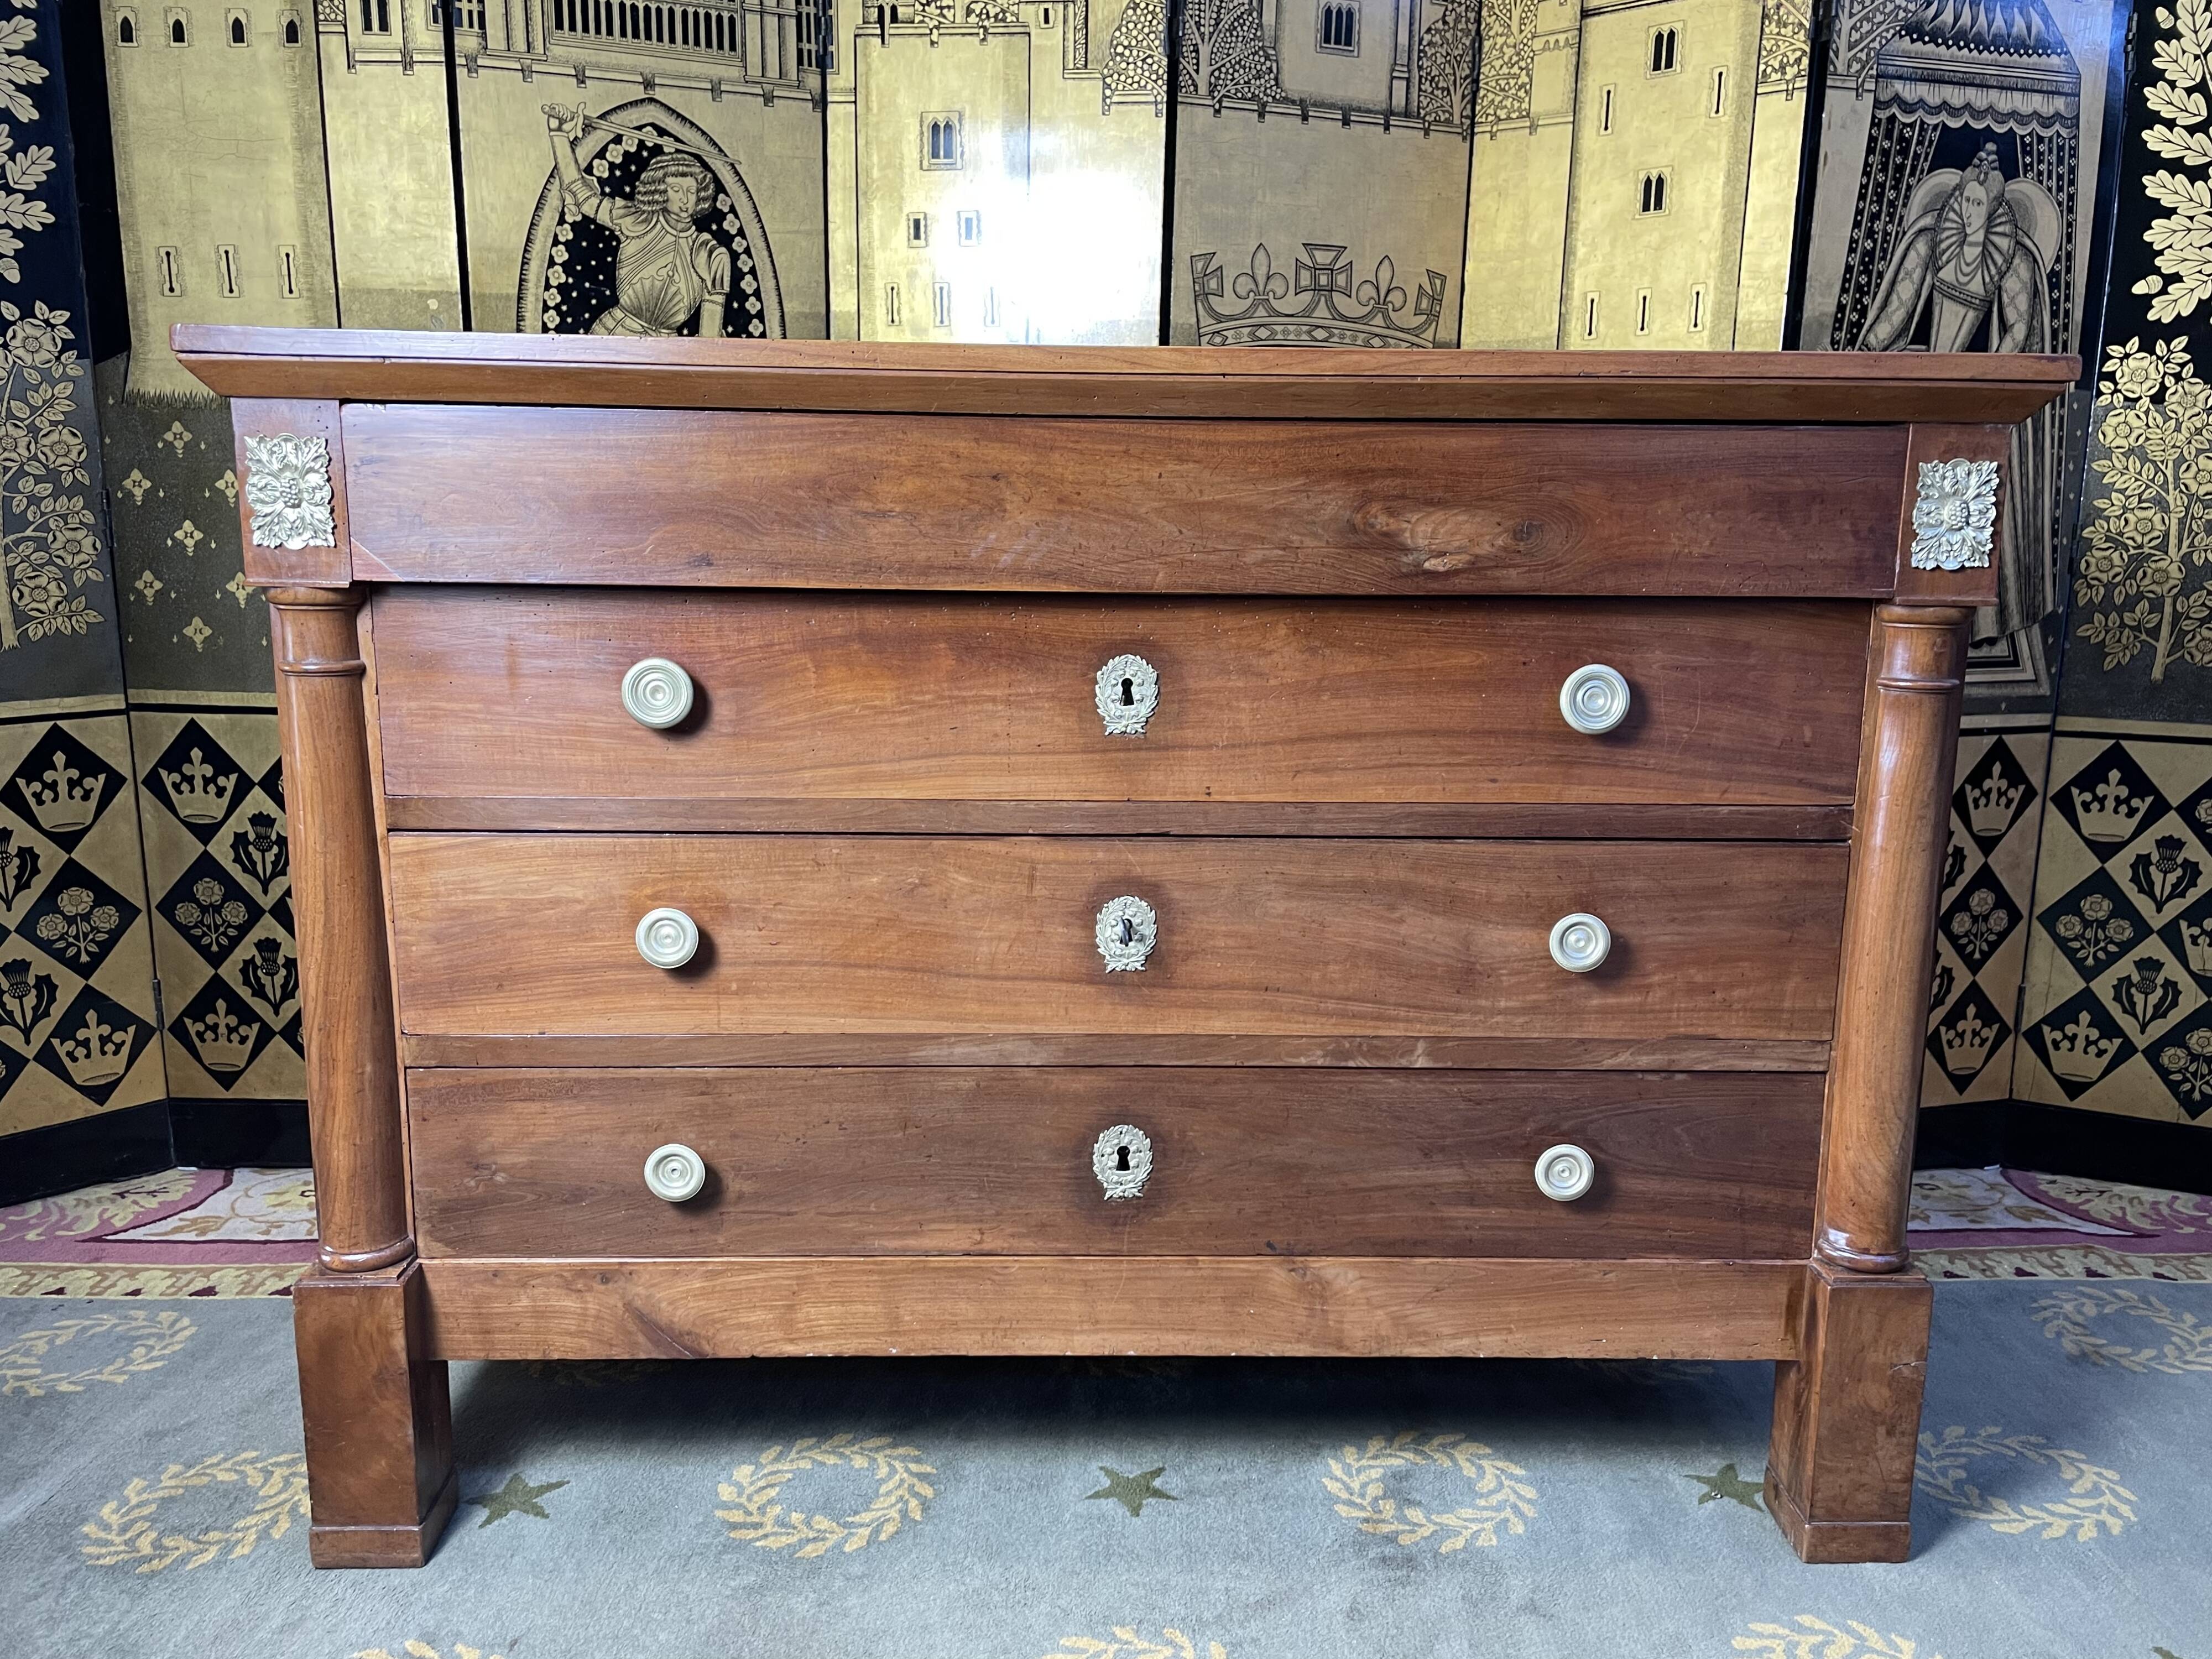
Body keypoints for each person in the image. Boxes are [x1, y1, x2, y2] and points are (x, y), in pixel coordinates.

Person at [543, 104, 732, 337]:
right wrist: (560, 135)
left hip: (668, 352)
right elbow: (580, 194)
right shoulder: (637, 219)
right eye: (676, 189)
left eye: (691, 191)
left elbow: (710, 340)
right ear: (660, 190)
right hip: (615, 336)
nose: (685, 200)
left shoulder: (710, 252)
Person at [1856, 142, 2054, 354]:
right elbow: (1898, 307)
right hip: (1925, 363)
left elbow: (2018, 329)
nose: (1969, 212)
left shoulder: (2012, 257)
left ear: (1992, 207)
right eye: (1967, 201)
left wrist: (1988, 377)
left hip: (1977, 374)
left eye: (1978, 204)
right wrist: (1865, 352)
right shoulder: (1930, 241)